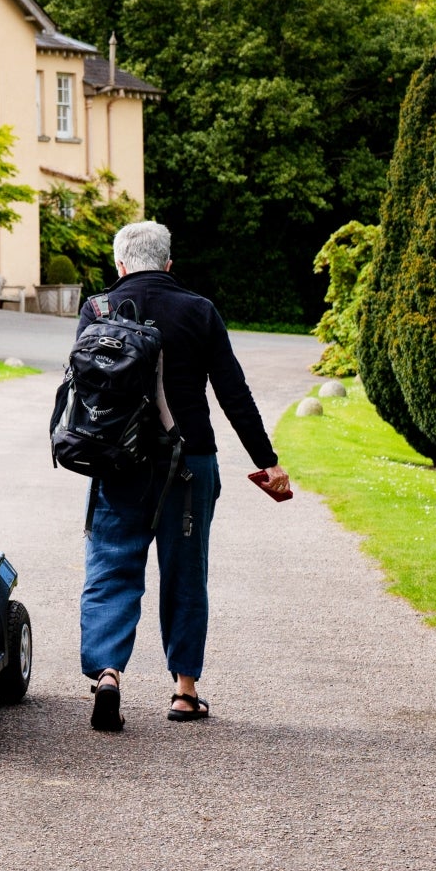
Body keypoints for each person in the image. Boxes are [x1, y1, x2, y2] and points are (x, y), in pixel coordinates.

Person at [76, 220, 290, 731]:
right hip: (189, 462)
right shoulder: (199, 310)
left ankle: (108, 675)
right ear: (170, 263)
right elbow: (234, 392)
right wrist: (267, 460)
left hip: (118, 460)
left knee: (111, 567)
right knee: (185, 573)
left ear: (120, 264)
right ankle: (184, 691)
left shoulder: (97, 309)